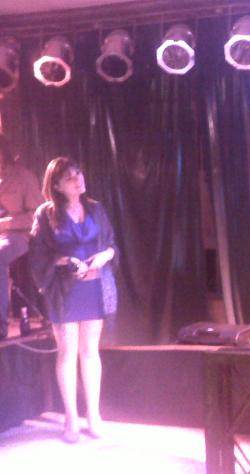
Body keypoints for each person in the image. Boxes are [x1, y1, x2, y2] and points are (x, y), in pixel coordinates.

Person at [30, 157, 117, 443]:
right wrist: (64, 261)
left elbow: (111, 245)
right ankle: (70, 417)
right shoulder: (45, 214)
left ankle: (94, 415)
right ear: (56, 185)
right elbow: (38, 254)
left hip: (94, 288)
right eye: (70, 177)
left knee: (90, 352)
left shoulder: (96, 208)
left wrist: (104, 256)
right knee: (67, 352)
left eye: (79, 173)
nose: (78, 179)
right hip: (64, 291)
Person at [0, 135, 44, 340]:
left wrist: (5, 223)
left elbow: (38, 215)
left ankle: (0, 325)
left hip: (21, 235)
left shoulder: (24, 177)